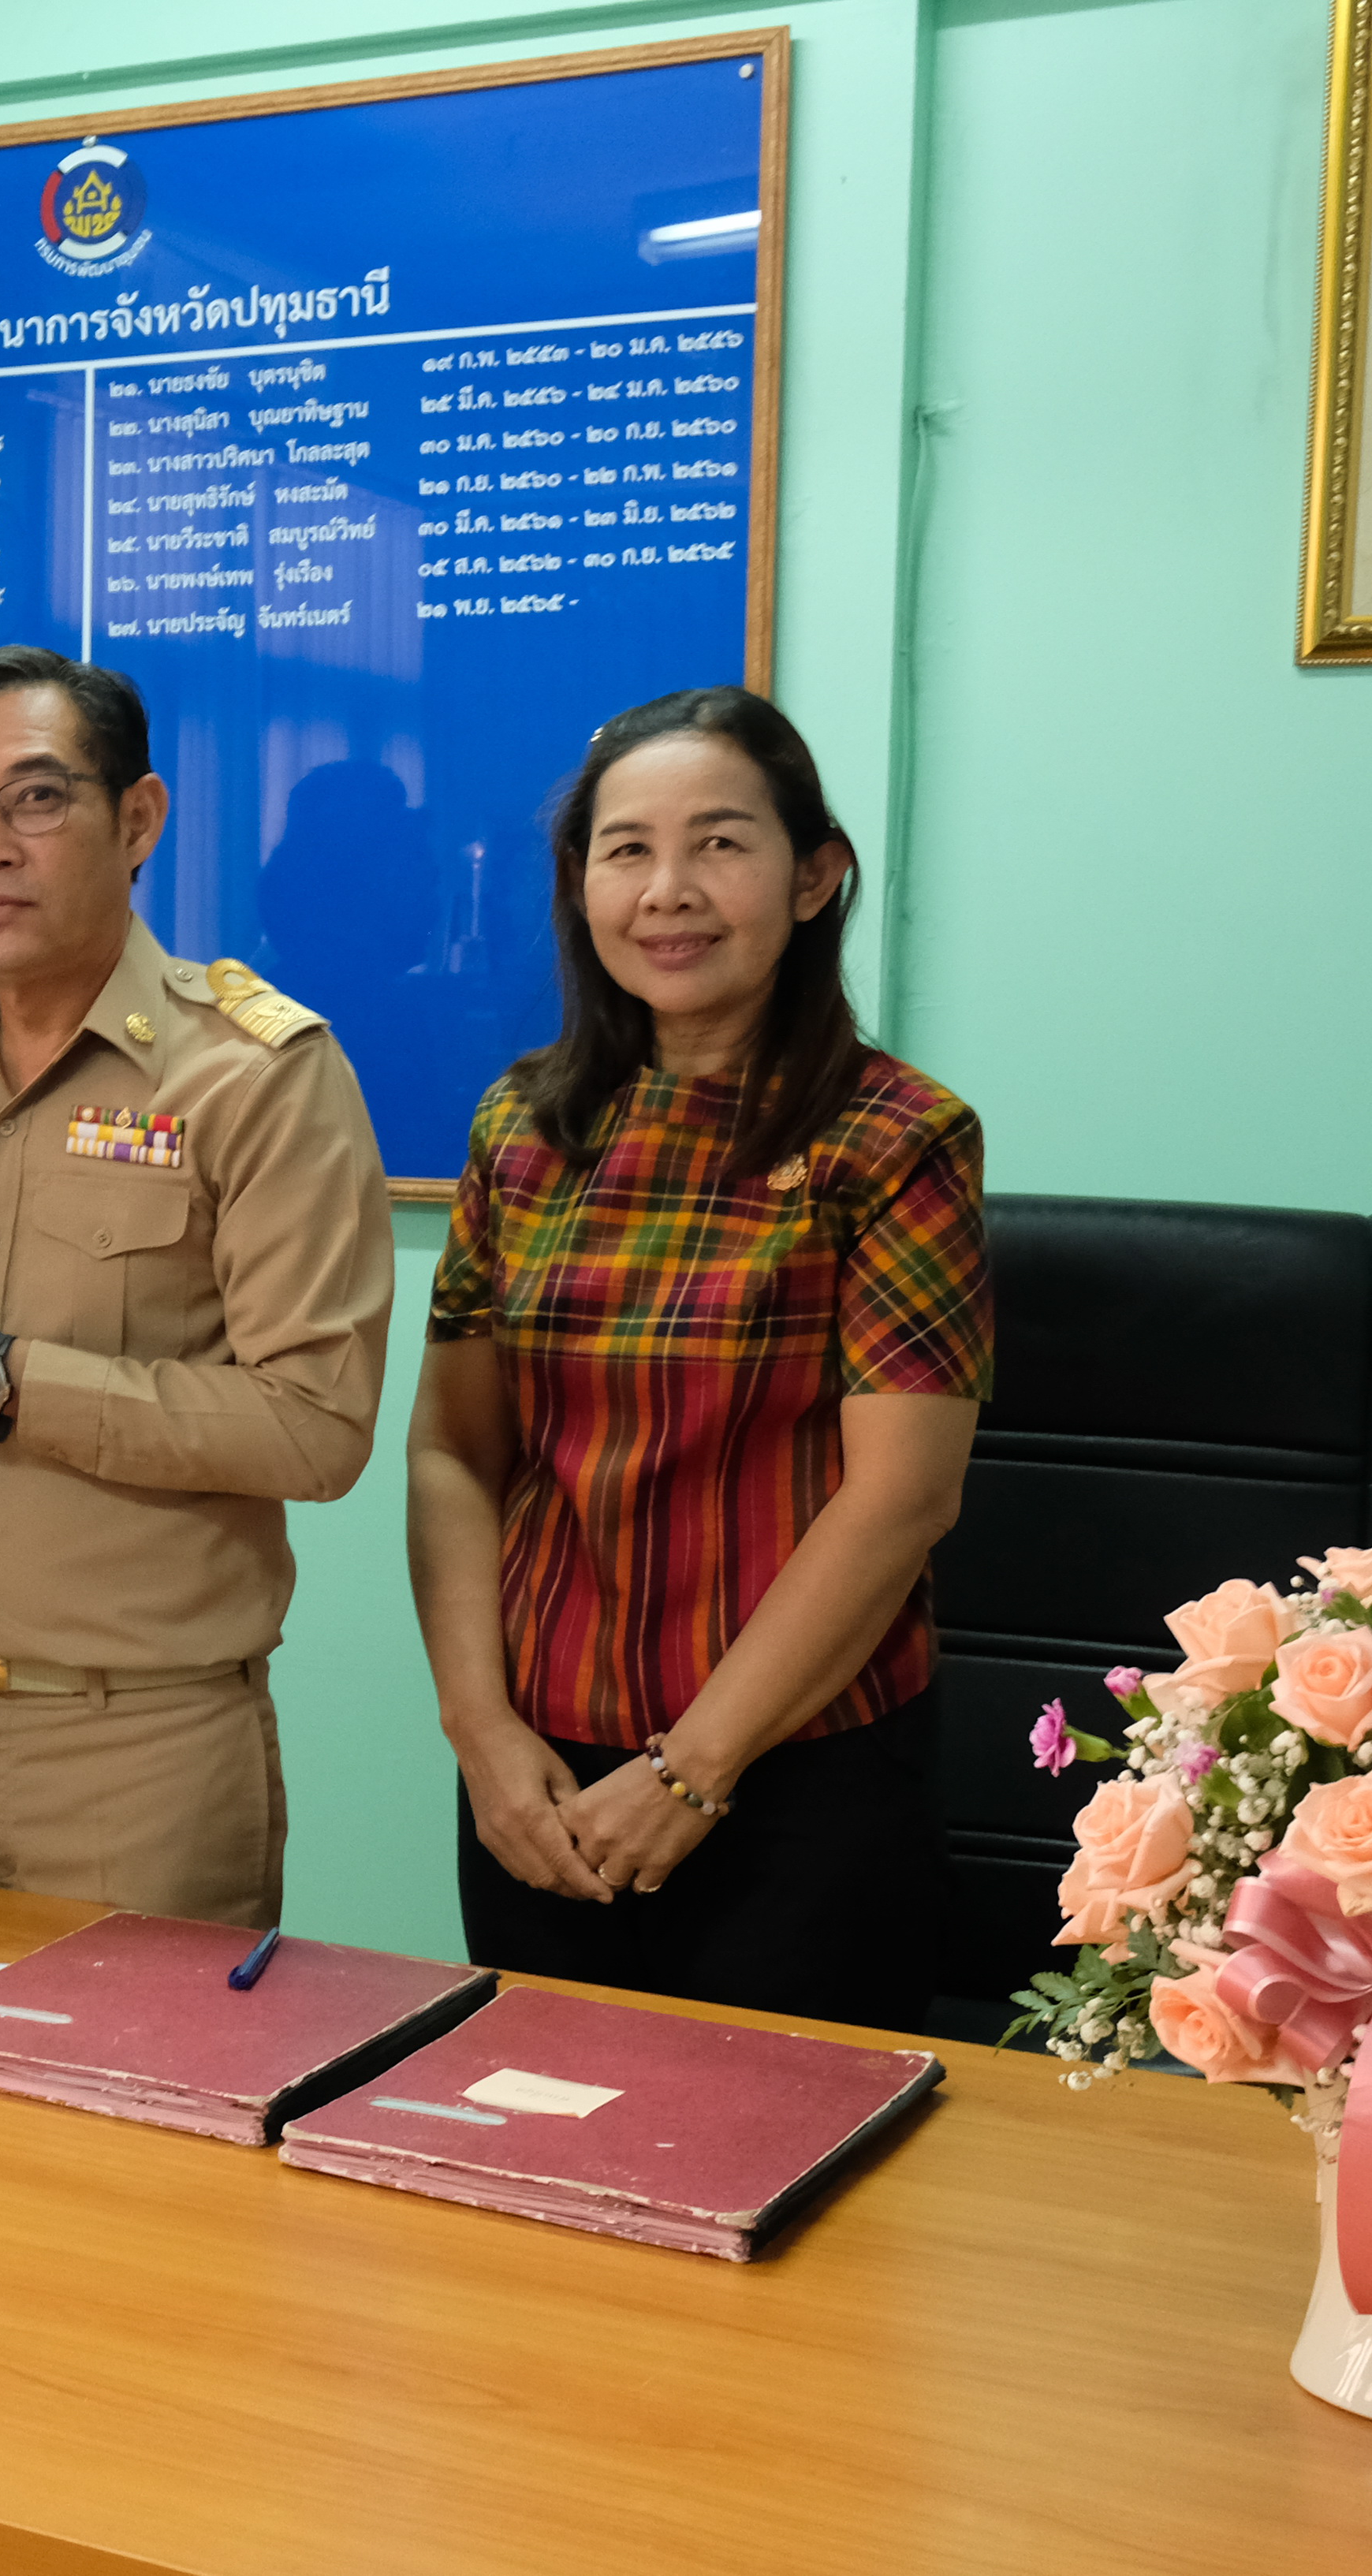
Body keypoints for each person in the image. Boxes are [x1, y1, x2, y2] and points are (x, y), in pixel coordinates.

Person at [405, 685, 985, 2031]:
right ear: (581, 884)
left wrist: (691, 1772)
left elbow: (903, 1496)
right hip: (540, 1776)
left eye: (720, 843)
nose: (668, 891)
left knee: (792, 2147)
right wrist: (480, 1733)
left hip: (798, 1777)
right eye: (627, 851)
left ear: (814, 876)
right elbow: (453, 1451)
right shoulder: (521, 1127)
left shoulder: (895, 1138)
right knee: (531, 2129)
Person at [0, 647, 392, 1927]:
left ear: (138, 820)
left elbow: (316, 1428)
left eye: (35, 798)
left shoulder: (255, 1076)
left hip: (143, 1750)